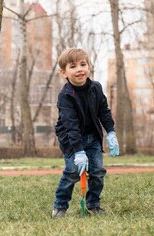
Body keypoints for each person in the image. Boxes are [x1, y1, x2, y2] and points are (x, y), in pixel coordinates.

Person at [51, 48, 120, 218]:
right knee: (73, 171)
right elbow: (70, 126)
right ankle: (60, 205)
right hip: (71, 139)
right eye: (73, 66)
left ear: (89, 66)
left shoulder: (96, 88)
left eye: (83, 64)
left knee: (97, 171)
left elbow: (104, 111)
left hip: (92, 138)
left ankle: (93, 204)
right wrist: (79, 151)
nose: (80, 69)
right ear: (64, 72)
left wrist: (111, 132)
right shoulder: (65, 96)